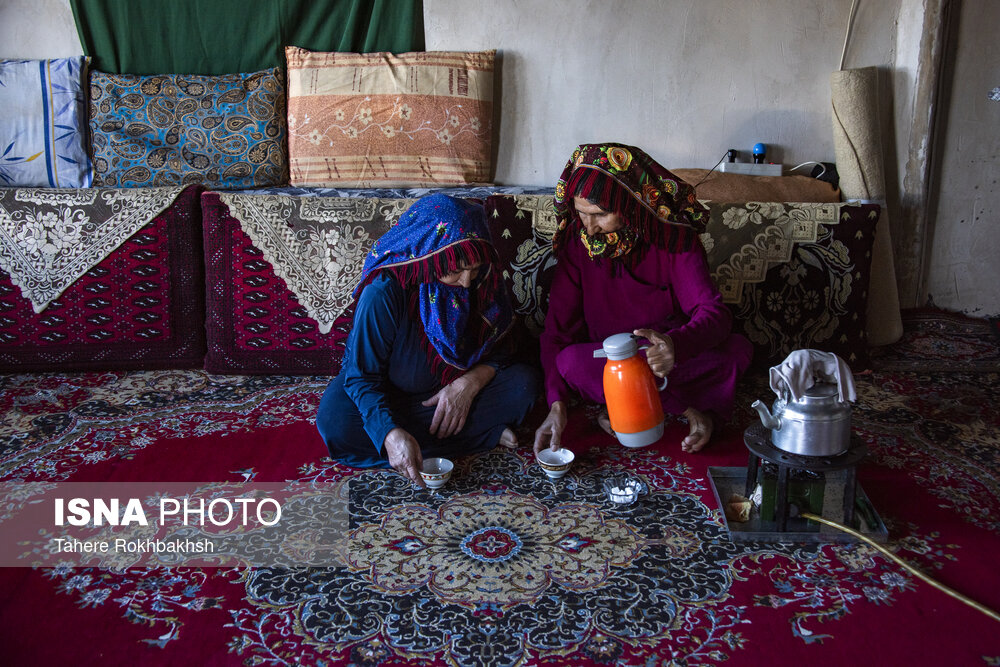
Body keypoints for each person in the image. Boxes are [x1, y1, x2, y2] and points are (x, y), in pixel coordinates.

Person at [533, 143, 752, 455]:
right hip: (611, 361)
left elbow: (712, 312)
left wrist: (676, 345)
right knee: (569, 362)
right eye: (581, 214)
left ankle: (627, 402)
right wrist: (557, 407)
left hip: (667, 358)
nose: (590, 228)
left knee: (737, 350)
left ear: (630, 203)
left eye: (601, 215)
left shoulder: (674, 238)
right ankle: (687, 409)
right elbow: (557, 332)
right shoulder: (577, 244)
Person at [317, 193, 540, 486]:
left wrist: (468, 384)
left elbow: (505, 349)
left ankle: (447, 435)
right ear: (429, 254)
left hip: (454, 394)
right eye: (455, 270)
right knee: (336, 421)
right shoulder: (385, 291)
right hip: (392, 398)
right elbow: (361, 376)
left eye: (473, 269)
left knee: (525, 385)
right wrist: (389, 433)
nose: (466, 282)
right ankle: (479, 435)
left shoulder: (482, 279)